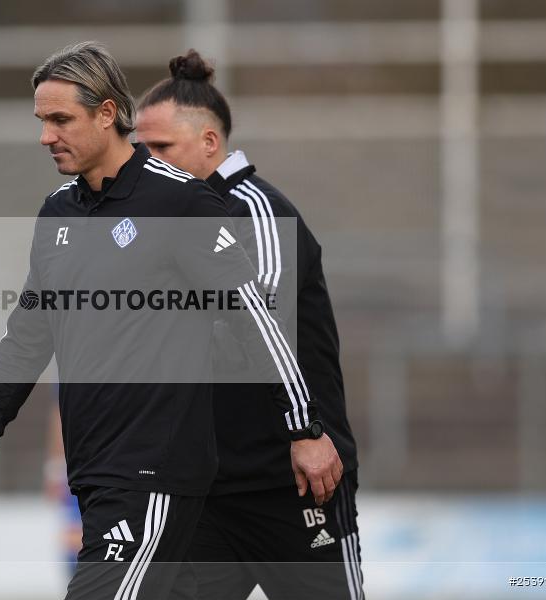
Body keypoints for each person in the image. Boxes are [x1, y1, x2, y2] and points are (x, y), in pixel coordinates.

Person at [0, 41, 342, 600]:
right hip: (94, 472)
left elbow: (254, 317)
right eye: (42, 121)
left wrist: (302, 428)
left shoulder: (180, 201)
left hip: (154, 472)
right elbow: (29, 333)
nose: (46, 137)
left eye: (60, 120)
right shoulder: (58, 211)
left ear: (107, 113)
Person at [136, 50, 363, 600]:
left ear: (209, 142)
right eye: (141, 150)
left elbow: (260, 330)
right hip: (204, 487)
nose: (147, 164)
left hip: (290, 479)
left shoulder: (256, 212)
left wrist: (304, 435)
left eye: (161, 148)